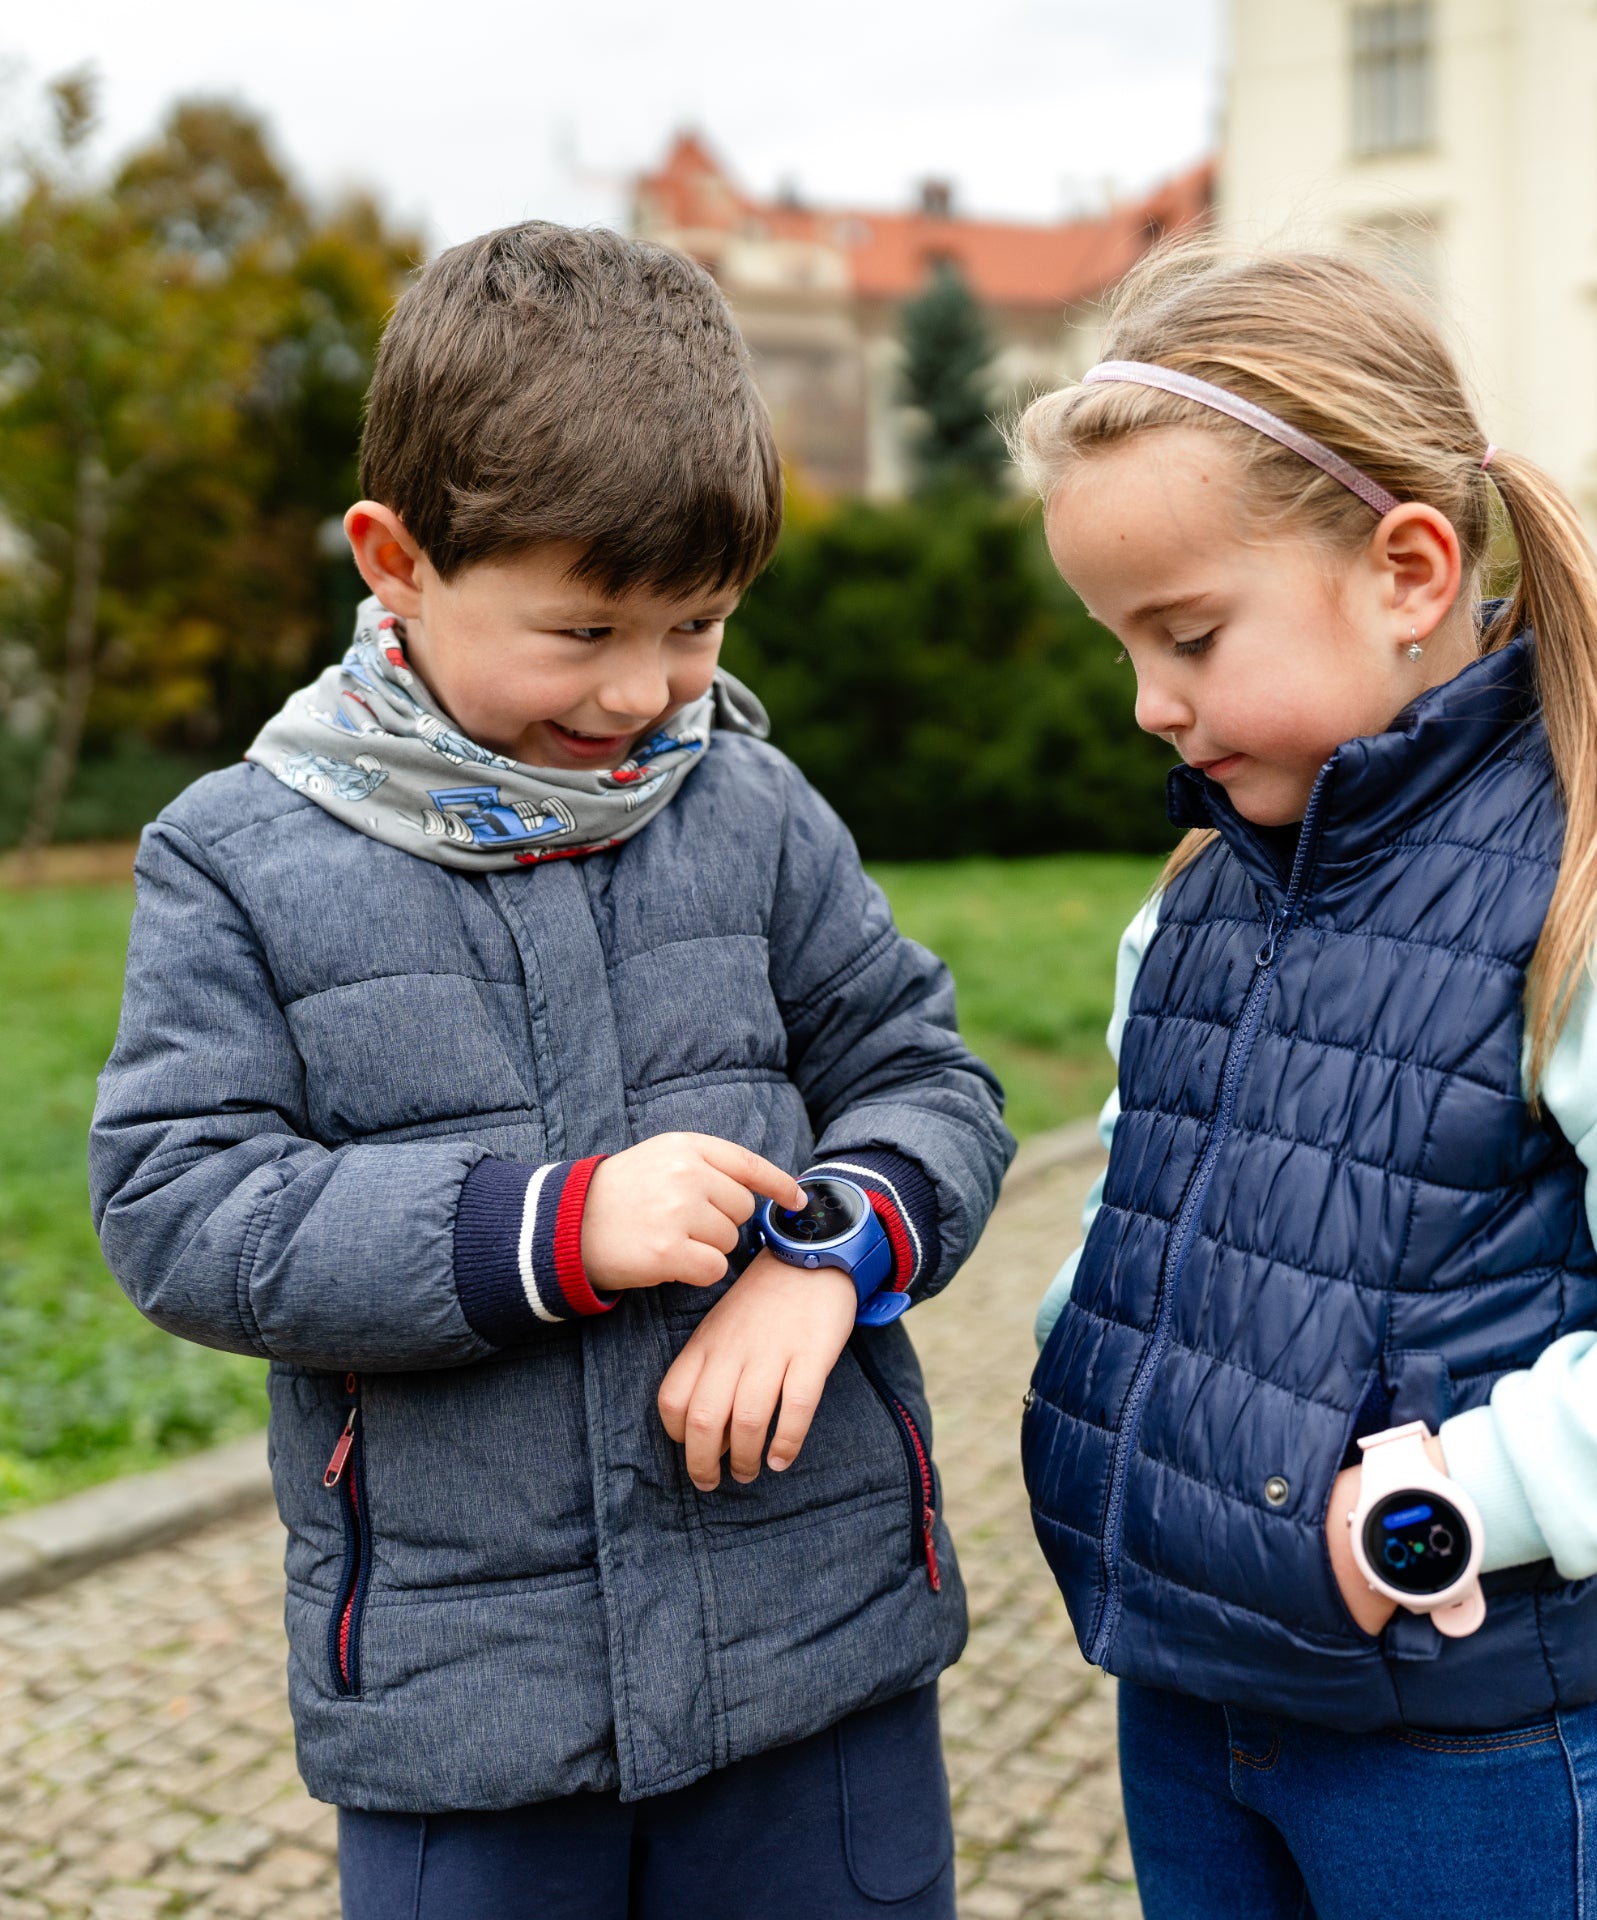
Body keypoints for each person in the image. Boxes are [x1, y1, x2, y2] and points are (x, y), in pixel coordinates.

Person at [89, 223, 1013, 1920]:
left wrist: (830, 1258)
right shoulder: (235, 857)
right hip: (469, 1721)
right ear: (396, 561)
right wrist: (548, 1229)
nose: (645, 690)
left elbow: (927, 1076)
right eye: (584, 628)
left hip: (819, 1660)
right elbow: (180, 1205)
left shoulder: (753, 806)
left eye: (698, 624)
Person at [1014, 248, 1597, 1920]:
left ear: (1407, 571)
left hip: (1454, 1742)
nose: (1152, 706)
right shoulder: (1199, 894)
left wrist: (1452, 1501)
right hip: (1183, 1692)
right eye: (1122, 649)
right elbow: (1133, 1197)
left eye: (1188, 636)